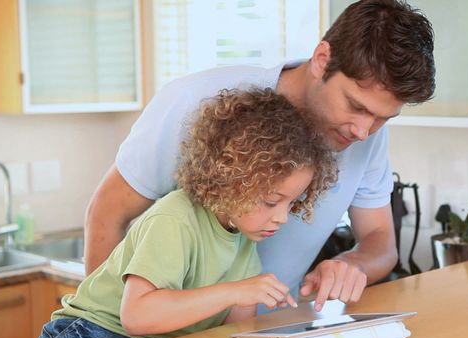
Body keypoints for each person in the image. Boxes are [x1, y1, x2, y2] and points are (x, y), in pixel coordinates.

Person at [85, 0, 435, 312]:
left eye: (382, 118)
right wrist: (108, 333)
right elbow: (106, 214)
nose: (363, 131)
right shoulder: (197, 103)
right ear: (322, 60)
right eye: (355, 106)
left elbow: (381, 243)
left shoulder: (367, 135)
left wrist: (351, 265)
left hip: (254, 334)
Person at [34, 89, 338, 338]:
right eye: (271, 201)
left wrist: (256, 302)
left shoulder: (244, 241)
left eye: (292, 203)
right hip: (90, 337)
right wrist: (234, 292)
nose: (282, 217)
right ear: (231, 180)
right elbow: (137, 316)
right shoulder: (176, 217)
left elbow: (231, 336)